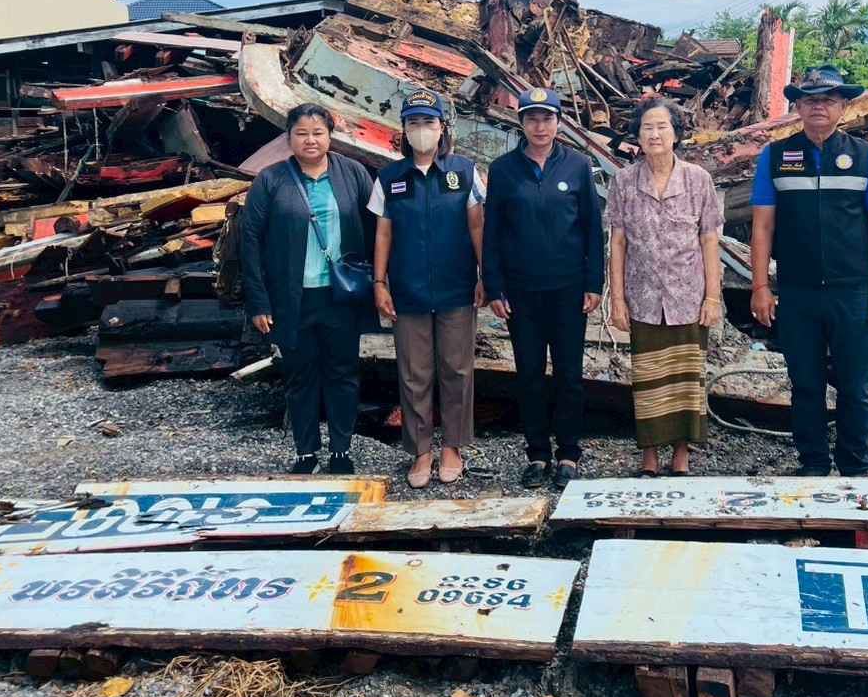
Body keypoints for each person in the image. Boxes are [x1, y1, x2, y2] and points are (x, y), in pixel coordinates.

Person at [748, 65, 868, 478]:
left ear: (844, 106)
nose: (818, 106)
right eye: (809, 99)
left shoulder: (866, 157)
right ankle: (812, 465)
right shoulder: (776, 156)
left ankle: (855, 469)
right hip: (796, 292)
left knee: (856, 388)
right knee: (806, 386)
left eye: (828, 99)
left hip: (854, 292)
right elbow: (762, 226)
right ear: (796, 106)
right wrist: (760, 286)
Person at [241, 103, 377, 475]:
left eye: (318, 132)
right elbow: (250, 241)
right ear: (289, 138)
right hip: (292, 299)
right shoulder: (270, 180)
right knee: (300, 376)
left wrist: (381, 283)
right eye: (302, 133)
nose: (310, 140)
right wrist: (259, 301)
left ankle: (341, 451)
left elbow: (379, 230)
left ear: (330, 136)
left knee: (343, 373)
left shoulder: (353, 173)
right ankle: (305, 452)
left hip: (341, 297)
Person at [483, 87, 604, 489]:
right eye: (532, 118)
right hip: (521, 293)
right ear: (520, 123)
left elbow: (591, 228)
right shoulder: (502, 170)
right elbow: (493, 234)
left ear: (558, 122)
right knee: (530, 375)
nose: (540, 126)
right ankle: (537, 454)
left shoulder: (577, 166)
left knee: (569, 375)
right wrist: (494, 286)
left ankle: (568, 453)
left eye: (547, 118)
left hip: (569, 289)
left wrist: (594, 282)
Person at [368, 89, 487, 489]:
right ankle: (421, 450)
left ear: (442, 128)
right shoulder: (389, 177)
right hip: (408, 290)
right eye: (413, 123)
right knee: (415, 373)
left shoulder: (465, 172)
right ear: (403, 129)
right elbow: (383, 234)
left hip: (457, 287)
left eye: (428, 123)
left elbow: (477, 226)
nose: (421, 131)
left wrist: (486, 275)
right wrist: (379, 282)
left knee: (456, 369)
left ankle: (452, 445)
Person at [605, 97, 723, 477]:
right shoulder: (624, 181)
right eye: (647, 128)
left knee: (686, 376)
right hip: (643, 298)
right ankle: (650, 454)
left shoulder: (698, 180)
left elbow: (709, 240)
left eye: (662, 127)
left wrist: (713, 297)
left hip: (687, 296)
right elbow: (618, 243)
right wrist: (618, 301)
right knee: (648, 376)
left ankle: (682, 452)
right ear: (637, 136)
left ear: (676, 134)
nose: (654, 134)